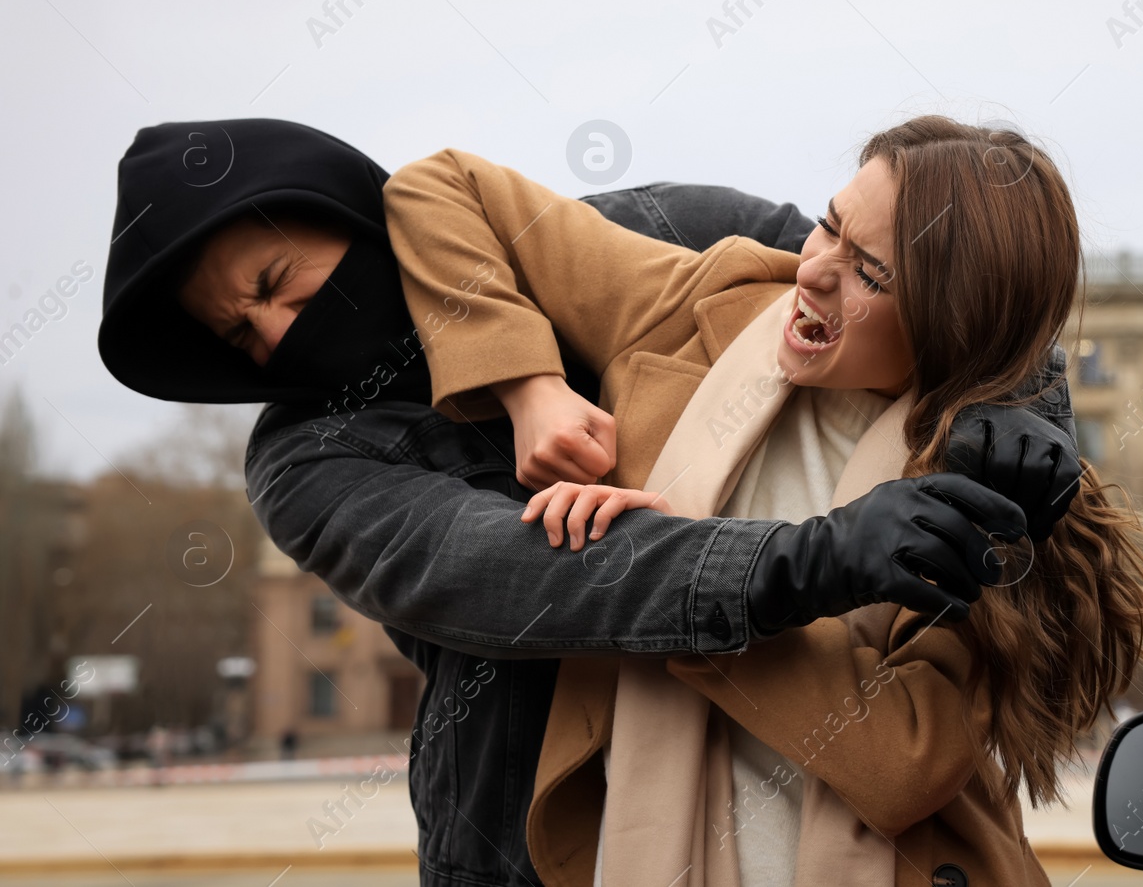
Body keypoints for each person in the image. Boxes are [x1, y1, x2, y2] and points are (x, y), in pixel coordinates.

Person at [97, 118, 1080, 887]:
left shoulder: (635, 240)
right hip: (528, 824)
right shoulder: (304, 454)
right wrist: (804, 560)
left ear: (344, 206)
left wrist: (1028, 417)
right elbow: (506, 571)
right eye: (238, 335)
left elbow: (937, 272)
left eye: (276, 282)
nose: (274, 337)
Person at [381, 116, 1143, 886]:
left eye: (871, 272)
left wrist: (667, 585)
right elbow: (438, 188)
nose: (814, 270)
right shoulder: (701, 305)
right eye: (828, 226)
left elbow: (906, 760)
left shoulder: (990, 478)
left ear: (952, 319)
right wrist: (533, 390)